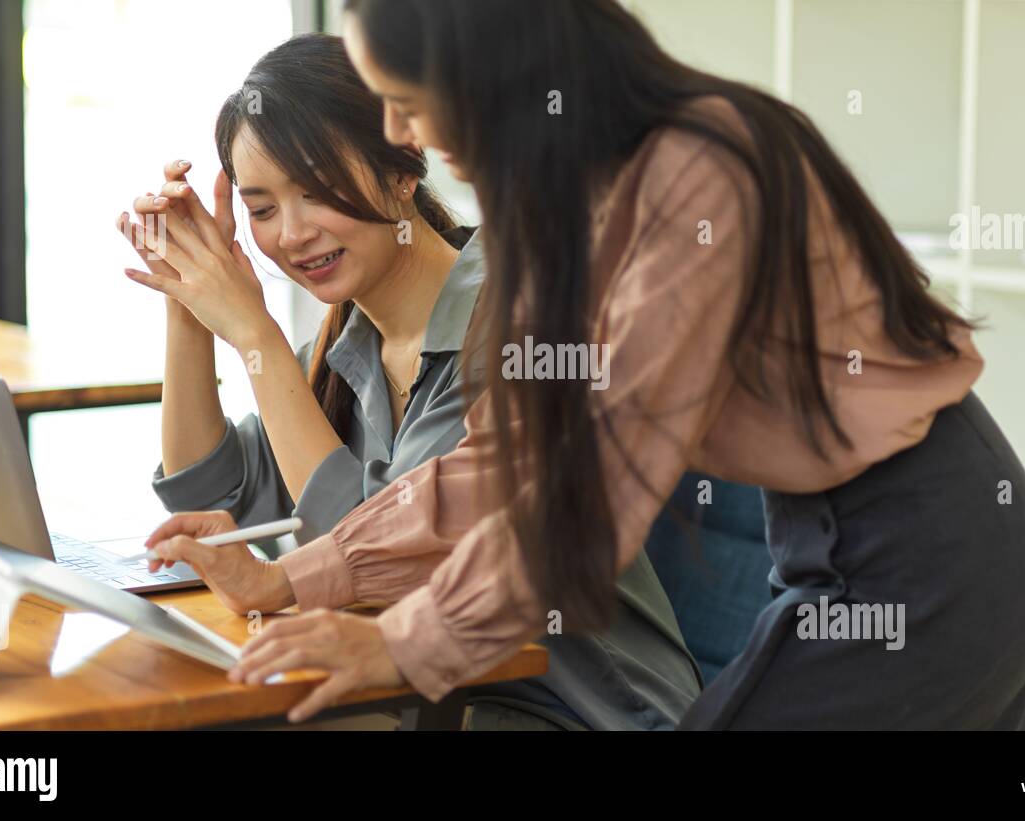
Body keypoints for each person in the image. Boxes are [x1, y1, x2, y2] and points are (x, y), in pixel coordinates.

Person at [146, 0, 1025, 729]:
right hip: (833, 540)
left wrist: (400, 648)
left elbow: (591, 487)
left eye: (406, 95)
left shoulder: (697, 172)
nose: (400, 129)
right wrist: (298, 579)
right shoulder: (565, 211)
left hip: (925, 546)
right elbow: (506, 469)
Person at [118, 33, 701, 730]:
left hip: (581, 712)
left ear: (403, 167)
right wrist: (188, 300)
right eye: (264, 209)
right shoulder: (346, 347)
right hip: (433, 704)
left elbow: (372, 554)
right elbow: (204, 494)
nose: (294, 233)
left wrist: (255, 337)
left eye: (317, 188)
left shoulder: (516, 317)